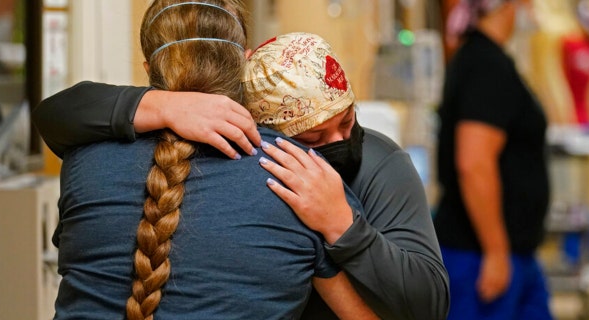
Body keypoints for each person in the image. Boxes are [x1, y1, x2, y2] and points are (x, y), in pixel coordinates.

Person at [34, 32, 450, 320]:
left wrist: (343, 225)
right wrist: (162, 105)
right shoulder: (246, 166)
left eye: (347, 121)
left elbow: (429, 304)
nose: (342, 140)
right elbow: (58, 112)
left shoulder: (381, 163)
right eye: (316, 136)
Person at [435, 0, 553, 319]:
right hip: (480, 254)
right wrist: (496, 251)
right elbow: (474, 164)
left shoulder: (487, 58)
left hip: (513, 251)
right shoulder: (485, 64)